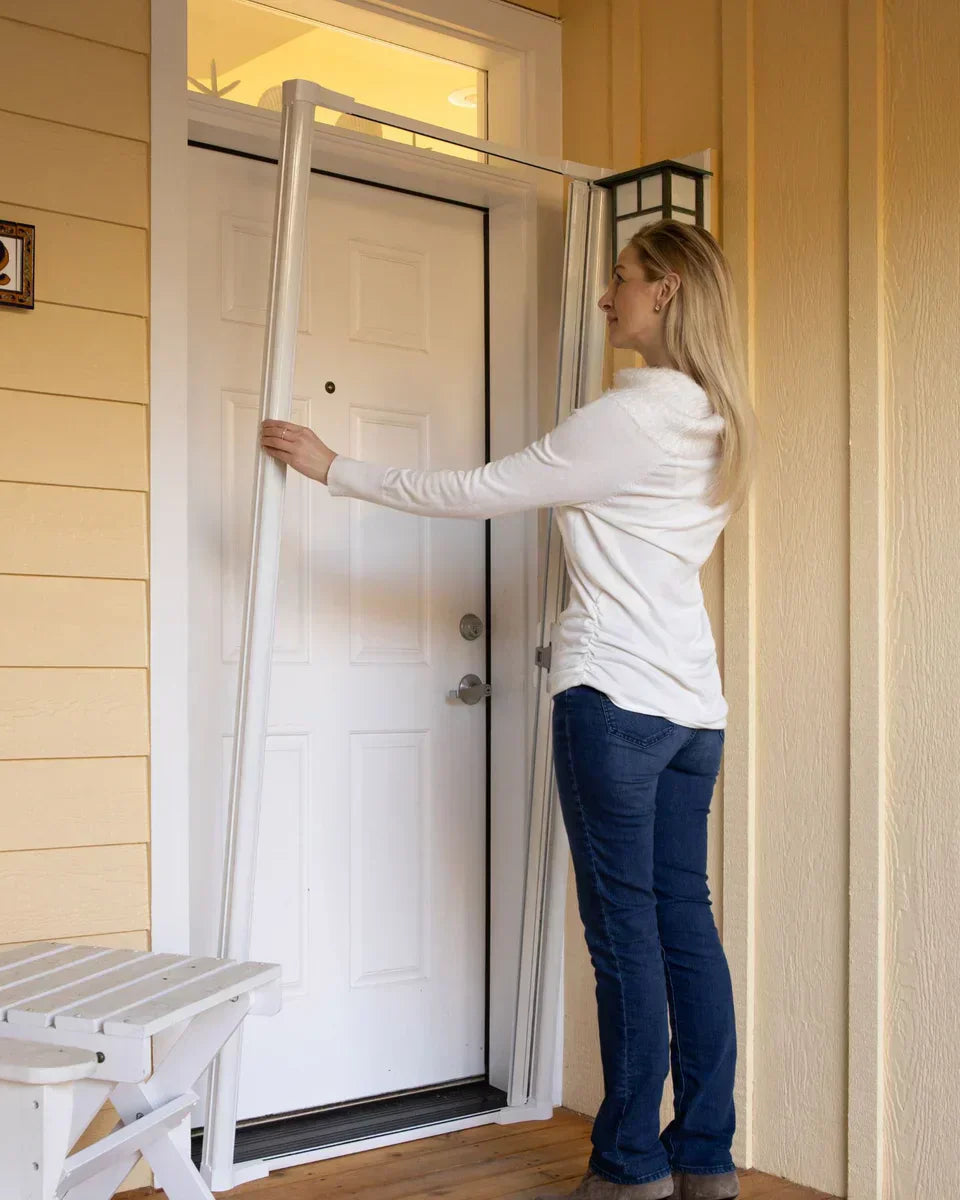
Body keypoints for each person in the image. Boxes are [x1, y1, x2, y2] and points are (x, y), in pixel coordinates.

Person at [261, 219, 756, 1200]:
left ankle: (627, 1168)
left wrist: (334, 467)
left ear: (666, 294)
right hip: (693, 711)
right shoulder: (718, 421)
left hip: (613, 701)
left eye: (621, 280)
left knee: (626, 939)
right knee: (685, 928)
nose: (607, 297)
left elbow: (480, 490)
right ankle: (704, 1160)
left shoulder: (634, 417)